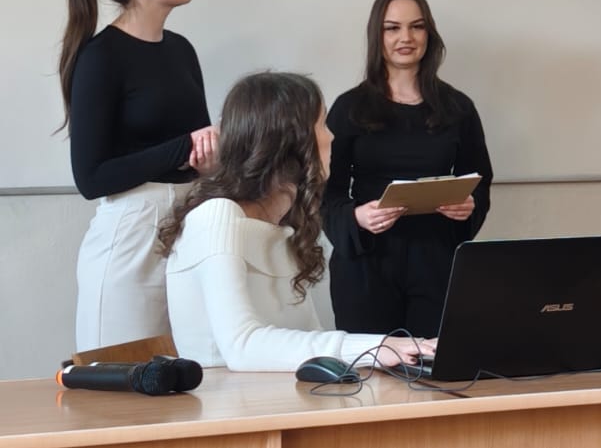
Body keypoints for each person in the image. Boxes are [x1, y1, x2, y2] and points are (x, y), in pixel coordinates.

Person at [162, 71, 427, 371]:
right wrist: (377, 347)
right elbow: (241, 347)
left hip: (281, 396)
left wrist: (400, 352)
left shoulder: (283, 228)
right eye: (322, 124)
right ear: (290, 141)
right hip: (228, 400)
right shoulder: (217, 216)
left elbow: (309, 340)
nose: (332, 137)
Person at [60, 0, 217, 350]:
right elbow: (91, 178)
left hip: (189, 227)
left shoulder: (181, 49)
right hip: (130, 239)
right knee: (123, 376)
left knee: (193, 373)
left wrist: (207, 158)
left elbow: (197, 147)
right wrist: (182, 148)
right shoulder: (101, 57)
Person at [323, 0, 492, 337]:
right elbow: (326, 192)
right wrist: (357, 216)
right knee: (370, 366)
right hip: (367, 263)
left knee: (436, 364)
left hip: (436, 261)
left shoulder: (458, 107)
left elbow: (480, 182)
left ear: (429, 33)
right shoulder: (349, 107)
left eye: (417, 26)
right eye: (392, 28)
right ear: (377, 35)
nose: (406, 38)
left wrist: (468, 205)